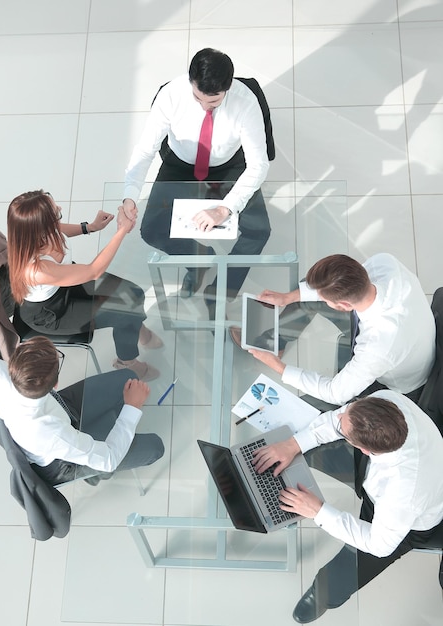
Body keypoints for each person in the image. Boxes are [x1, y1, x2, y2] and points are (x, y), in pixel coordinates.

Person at [252, 391, 443, 622]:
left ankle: (323, 597)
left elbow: (379, 545)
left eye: (343, 427)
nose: (338, 415)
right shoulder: (390, 401)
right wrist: (294, 444)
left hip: (409, 525)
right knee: (306, 445)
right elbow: (336, 420)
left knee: (341, 576)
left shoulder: (403, 492)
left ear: (363, 449)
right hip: (376, 477)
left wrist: (318, 511)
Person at [121, 47, 271, 315]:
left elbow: (258, 165)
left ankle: (220, 293)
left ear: (227, 88)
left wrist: (225, 208)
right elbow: (145, 150)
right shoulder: (171, 95)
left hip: (228, 164)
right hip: (181, 164)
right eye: (197, 98)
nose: (204, 106)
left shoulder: (245, 102)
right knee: (152, 230)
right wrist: (130, 194)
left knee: (259, 230)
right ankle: (200, 260)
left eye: (213, 103)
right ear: (191, 82)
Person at [0, 336, 164, 485]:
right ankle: (91, 472)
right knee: (155, 447)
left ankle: (97, 433)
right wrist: (132, 408)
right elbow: (109, 459)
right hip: (60, 461)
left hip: (62, 409)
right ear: (55, 383)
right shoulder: (51, 433)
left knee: (126, 378)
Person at [239, 253, 435, 406]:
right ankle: (275, 342)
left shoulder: (378, 346)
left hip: (402, 385)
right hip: (406, 342)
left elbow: (336, 393)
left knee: (319, 406)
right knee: (304, 296)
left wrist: (277, 367)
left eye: (326, 300)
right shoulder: (384, 264)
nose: (322, 299)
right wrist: (288, 297)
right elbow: (333, 287)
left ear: (342, 305)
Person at [7, 189, 163, 382]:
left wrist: (90, 227)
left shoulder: (41, 230)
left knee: (134, 293)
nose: (60, 209)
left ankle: (136, 327)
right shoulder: (37, 269)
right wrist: (122, 230)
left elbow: (60, 229)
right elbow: (92, 271)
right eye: (57, 212)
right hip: (53, 312)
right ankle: (127, 361)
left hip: (65, 283)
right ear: (41, 226)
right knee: (127, 313)